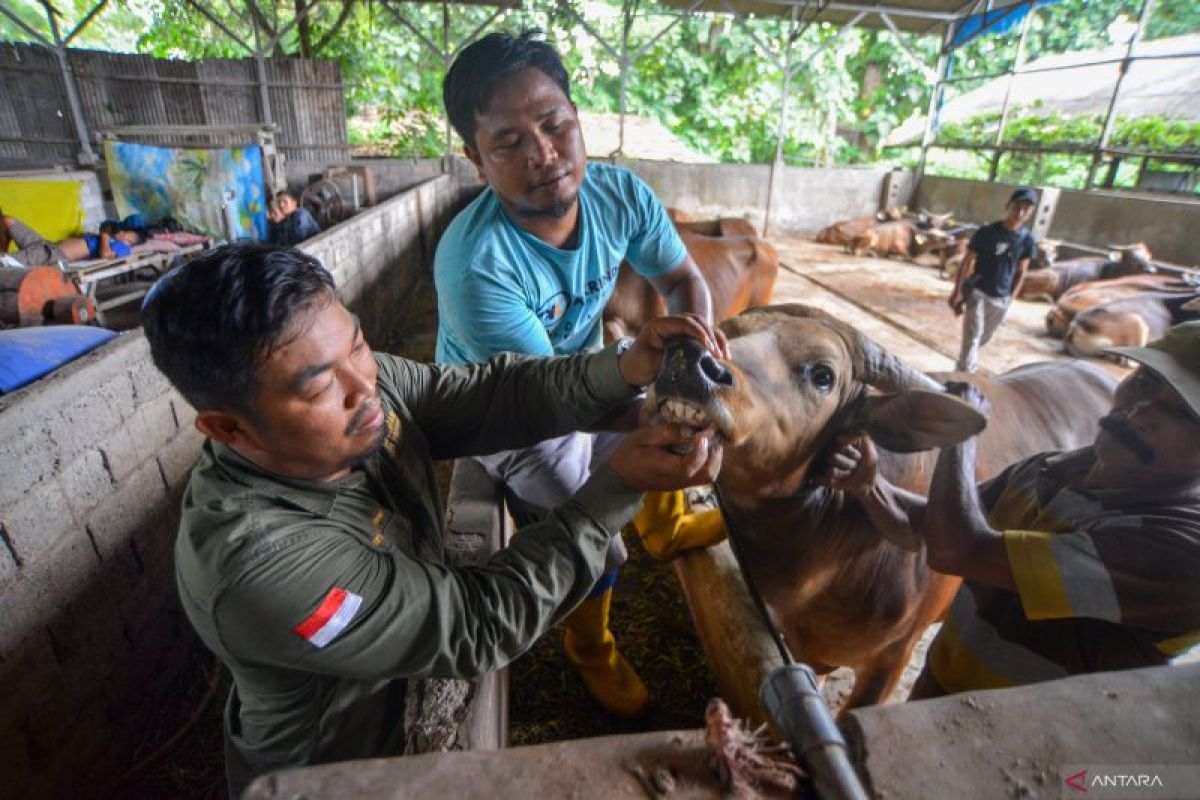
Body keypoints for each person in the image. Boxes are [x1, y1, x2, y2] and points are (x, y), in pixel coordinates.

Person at [141, 242, 726, 795]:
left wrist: (620, 369)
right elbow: (477, 623)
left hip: (409, 686)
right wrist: (617, 488)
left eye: (359, 345)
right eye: (321, 386)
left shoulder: (362, 390)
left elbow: (486, 394)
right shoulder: (260, 563)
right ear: (228, 428)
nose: (364, 388)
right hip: (341, 775)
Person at [433, 30, 725, 719]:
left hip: (593, 377)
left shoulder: (619, 196)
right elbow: (554, 402)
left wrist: (692, 362)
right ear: (477, 161)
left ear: (576, 120)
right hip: (512, 410)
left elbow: (683, 277)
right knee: (591, 533)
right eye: (509, 142)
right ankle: (590, 648)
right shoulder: (478, 267)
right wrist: (669, 407)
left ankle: (665, 526)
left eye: (555, 124)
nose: (544, 154)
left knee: (671, 430)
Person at [821, 321, 1200, 697]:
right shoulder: (1053, 468)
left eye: (1182, 413)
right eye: (1145, 382)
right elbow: (928, 528)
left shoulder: (1182, 549)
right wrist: (869, 486)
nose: (1138, 412)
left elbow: (958, 549)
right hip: (943, 694)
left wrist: (961, 432)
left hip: (1032, 740)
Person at [948, 187, 1038, 372]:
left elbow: (1022, 270)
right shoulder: (987, 232)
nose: (1020, 213)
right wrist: (957, 292)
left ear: (1031, 213)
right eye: (1017, 207)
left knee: (982, 338)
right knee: (973, 336)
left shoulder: (1027, 240)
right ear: (1008, 206)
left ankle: (963, 367)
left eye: (1026, 209)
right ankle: (965, 376)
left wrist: (1011, 297)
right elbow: (966, 263)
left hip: (1001, 298)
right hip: (978, 291)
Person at [0, 211, 144, 268]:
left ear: (132, 239)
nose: (122, 231)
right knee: (7, 220)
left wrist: (105, 236)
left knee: (4, 262)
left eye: (126, 232)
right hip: (46, 245)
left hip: (51, 256)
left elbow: (106, 255)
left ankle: (9, 261)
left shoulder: (124, 248)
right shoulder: (112, 239)